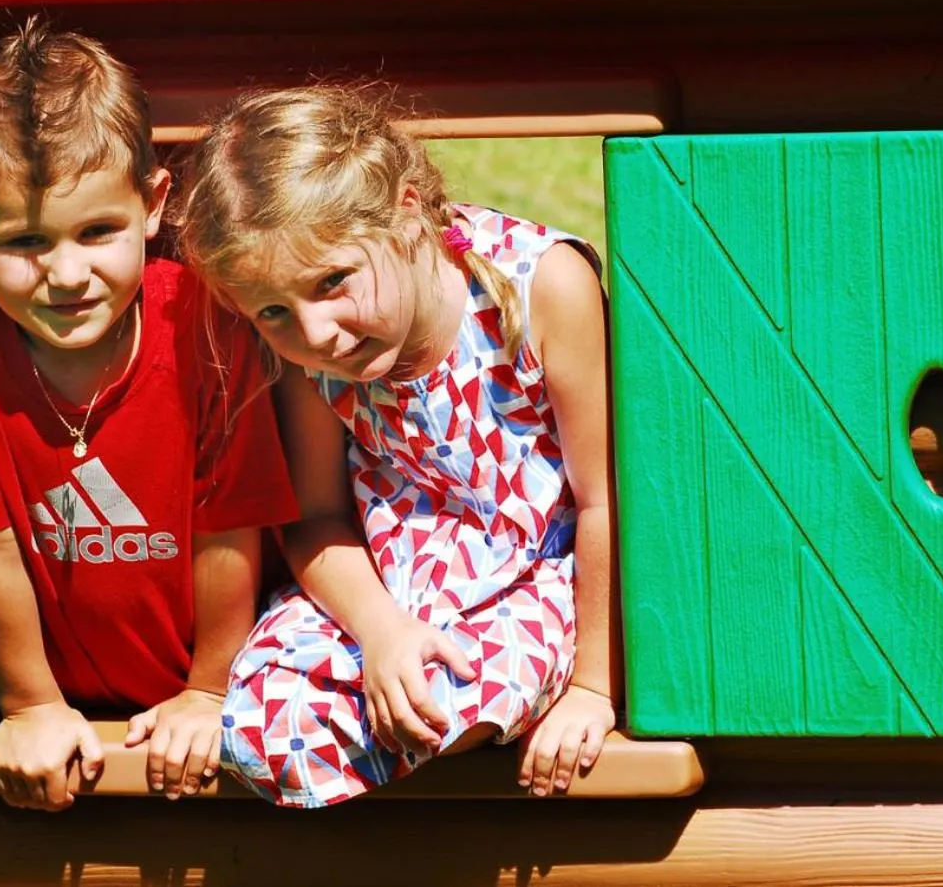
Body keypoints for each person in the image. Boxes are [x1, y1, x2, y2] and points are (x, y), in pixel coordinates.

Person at [177, 85, 617, 809]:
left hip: (532, 578)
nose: (316, 333)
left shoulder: (541, 285)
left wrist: (594, 688)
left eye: (333, 281)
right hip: (384, 585)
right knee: (257, 726)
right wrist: (382, 631)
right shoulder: (311, 355)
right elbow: (316, 518)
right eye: (274, 311)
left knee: (434, 701)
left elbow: (604, 499)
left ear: (407, 212)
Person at [0, 17, 296, 811]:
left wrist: (208, 692)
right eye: (25, 242)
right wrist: (31, 705)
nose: (67, 273)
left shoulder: (201, 320)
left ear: (152, 205)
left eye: (98, 231)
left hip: (226, 679)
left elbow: (231, 524)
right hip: (61, 698)